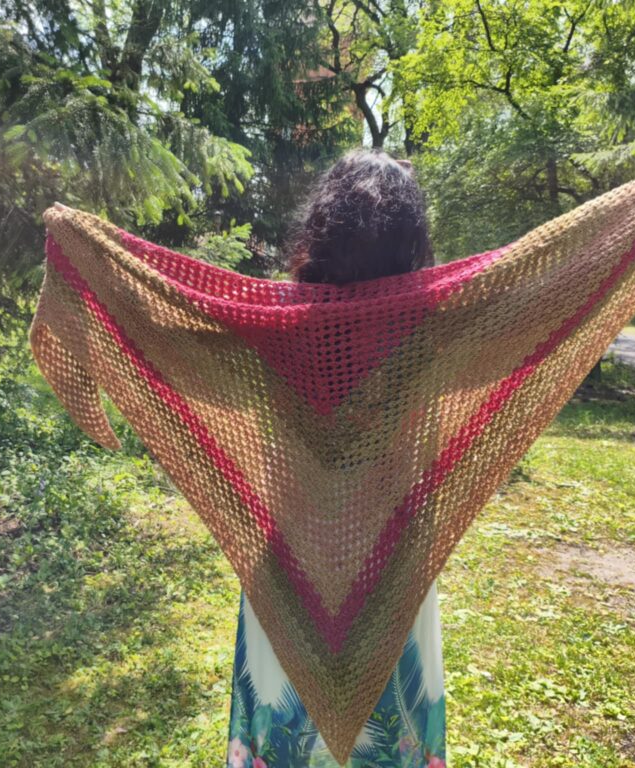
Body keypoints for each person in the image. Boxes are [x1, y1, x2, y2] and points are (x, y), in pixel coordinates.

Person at [225, 149, 447, 768]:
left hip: (288, 569)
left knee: (282, 733)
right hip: (391, 568)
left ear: (321, 228)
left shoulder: (272, 322)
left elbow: (170, 315)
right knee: (393, 731)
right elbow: (539, 287)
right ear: (410, 239)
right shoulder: (434, 325)